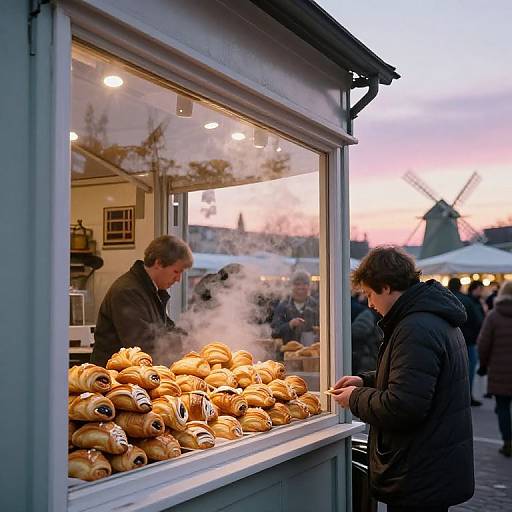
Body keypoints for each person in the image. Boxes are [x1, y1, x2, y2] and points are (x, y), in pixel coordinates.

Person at [332, 247, 474, 512]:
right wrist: (365, 382)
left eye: (370, 294)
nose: (369, 303)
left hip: (421, 470)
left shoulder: (415, 327)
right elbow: (417, 377)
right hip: (432, 463)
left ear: (386, 287)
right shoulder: (428, 317)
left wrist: (355, 398)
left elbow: (404, 405)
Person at [91, 235, 193, 366]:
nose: (178, 279)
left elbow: (166, 331)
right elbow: (143, 346)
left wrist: (192, 339)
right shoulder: (128, 292)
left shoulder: (152, 291)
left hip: (135, 374)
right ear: (159, 263)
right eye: (176, 271)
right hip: (112, 377)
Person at [477, 280, 512, 457]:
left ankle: (508, 442)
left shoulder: (493, 316)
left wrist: (483, 364)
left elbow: (483, 344)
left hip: (499, 370)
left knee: (503, 407)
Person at [447, 277, 483, 406]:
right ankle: (466, 397)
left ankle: (452, 398)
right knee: (468, 371)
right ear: (460, 286)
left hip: (447, 341)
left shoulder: (443, 299)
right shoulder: (467, 300)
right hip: (467, 341)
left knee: (449, 372)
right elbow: (478, 321)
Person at [271, 270, 319, 344]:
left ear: (309, 286)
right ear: (291, 286)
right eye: (297, 284)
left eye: (305, 284)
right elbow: (274, 332)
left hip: (312, 353)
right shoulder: (283, 306)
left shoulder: (316, 306)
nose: (301, 287)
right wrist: (290, 325)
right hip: (288, 353)